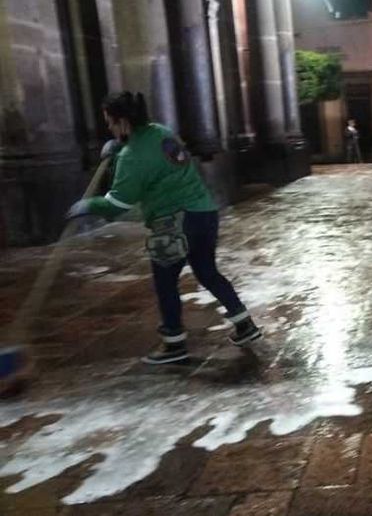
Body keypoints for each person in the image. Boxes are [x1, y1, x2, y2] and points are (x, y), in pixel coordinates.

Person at [67, 91, 260, 365]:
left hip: (174, 223)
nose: (109, 128)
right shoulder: (162, 132)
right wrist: (120, 149)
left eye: (110, 122)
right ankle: (244, 323)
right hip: (203, 213)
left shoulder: (132, 156)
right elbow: (154, 161)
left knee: (165, 282)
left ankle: (174, 343)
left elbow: (119, 202)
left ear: (122, 121)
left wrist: (89, 205)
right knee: (207, 271)